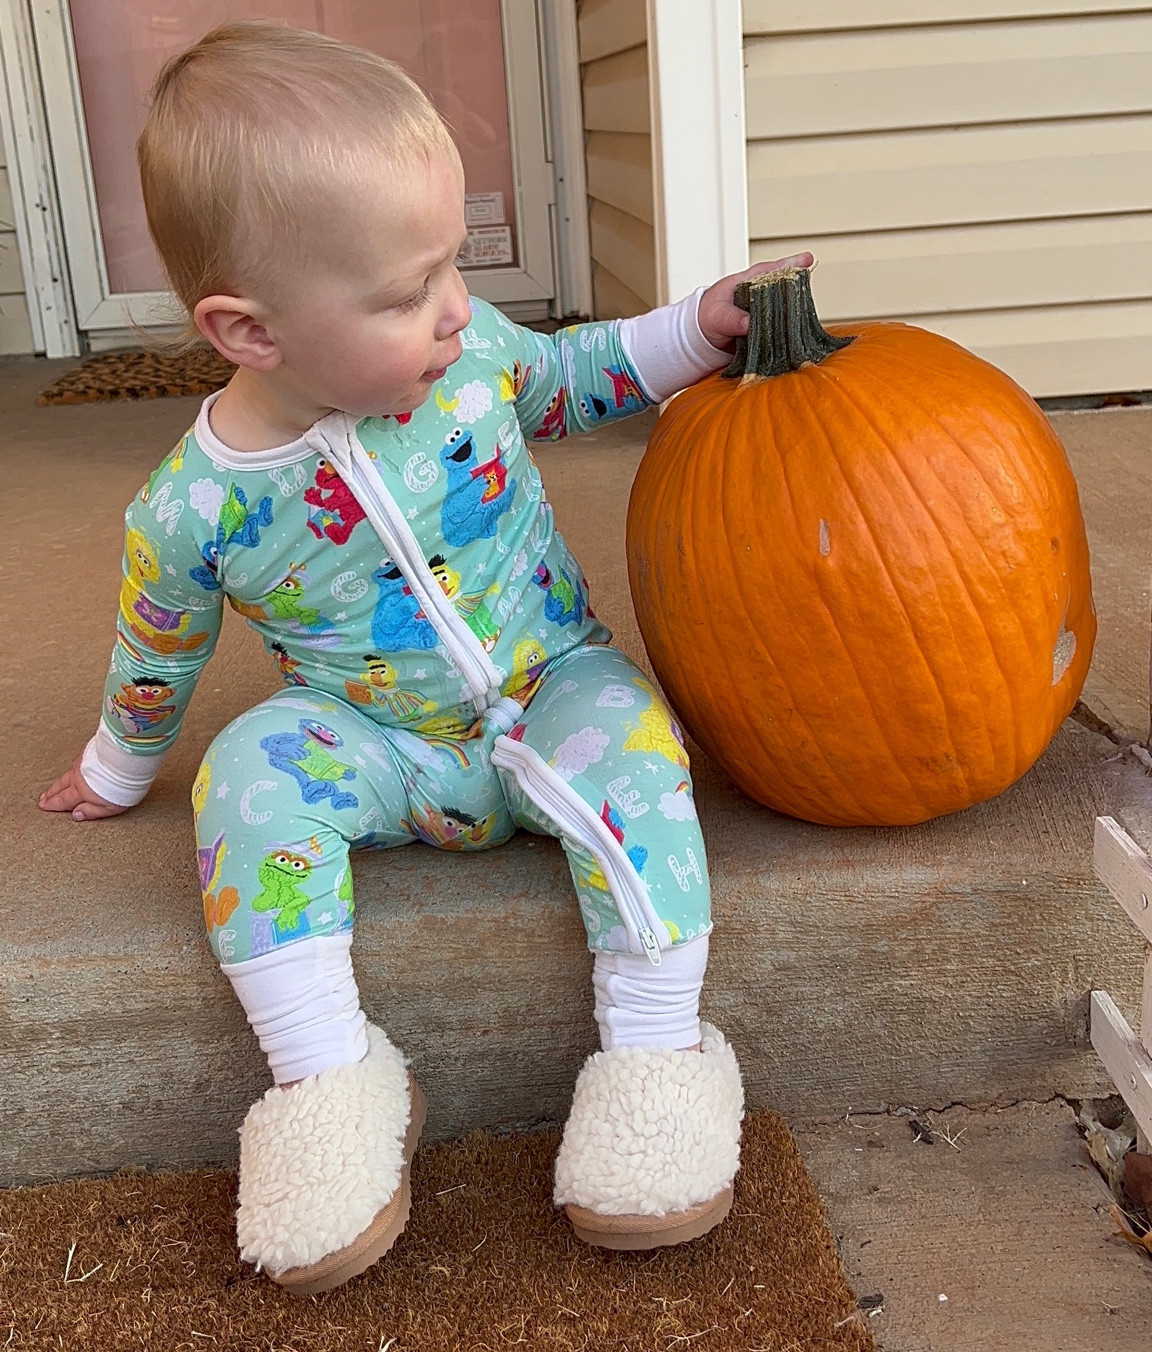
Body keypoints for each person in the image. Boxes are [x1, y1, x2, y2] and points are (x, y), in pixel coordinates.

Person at [39, 20, 813, 1294]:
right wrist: (120, 765)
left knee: (640, 750)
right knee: (248, 773)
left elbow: (574, 374)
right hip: (380, 744)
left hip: (547, 682)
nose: (456, 309)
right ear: (247, 331)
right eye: (406, 293)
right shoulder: (190, 511)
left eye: (454, 265)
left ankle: (657, 1059)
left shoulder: (468, 363)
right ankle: (330, 1081)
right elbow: (154, 650)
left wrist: (698, 327)